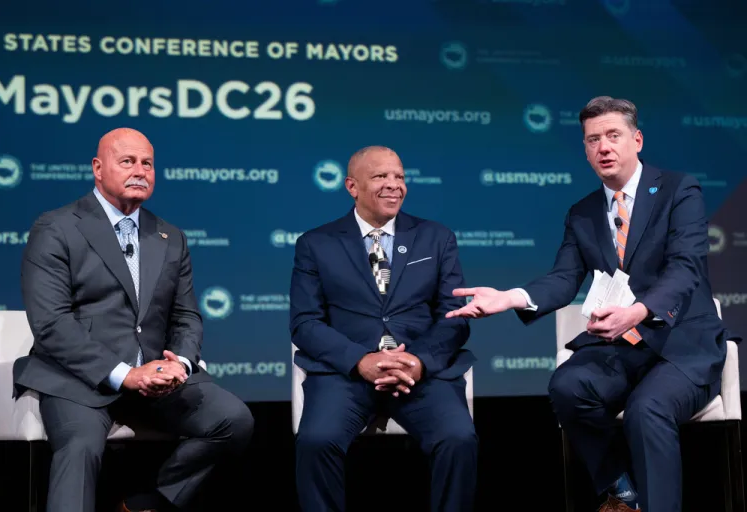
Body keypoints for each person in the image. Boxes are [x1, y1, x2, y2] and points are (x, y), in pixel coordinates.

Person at [445, 96, 738, 512]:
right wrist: (511, 297)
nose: (603, 147)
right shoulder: (582, 213)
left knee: (646, 409)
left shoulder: (677, 190)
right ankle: (622, 492)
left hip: (681, 344)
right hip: (623, 350)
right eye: (592, 139)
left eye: (613, 135)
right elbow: (564, 279)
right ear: (585, 149)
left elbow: (685, 268)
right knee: (567, 386)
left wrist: (637, 311)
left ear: (636, 140)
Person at [13, 128, 254, 512]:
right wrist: (124, 373)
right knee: (80, 447)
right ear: (97, 167)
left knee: (233, 420)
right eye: (127, 161)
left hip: (154, 382)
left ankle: (148, 503)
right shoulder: (57, 227)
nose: (139, 171)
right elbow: (52, 323)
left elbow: (186, 314)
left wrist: (180, 363)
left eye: (147, 163)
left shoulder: (169, 236)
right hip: (79, 380)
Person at [289, 145, 478, 511]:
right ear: (351, 186)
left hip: (419, 372)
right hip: (345, 373)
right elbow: (305, 323)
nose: (394, 185)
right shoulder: (316, 243)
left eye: (400, 177)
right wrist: (360, 360)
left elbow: (455, 314)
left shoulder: (436, 237)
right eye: (380, 176)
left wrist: (418, 362)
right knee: (316, 441)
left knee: (459, 439)